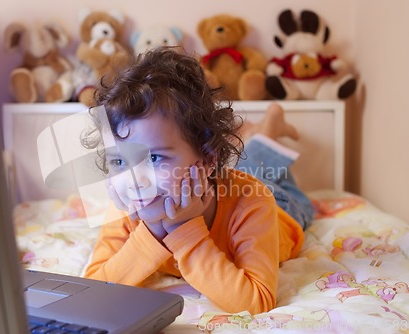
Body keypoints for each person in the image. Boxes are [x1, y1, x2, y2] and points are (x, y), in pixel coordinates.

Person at [82, 47, 313, 314]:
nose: (135, 181)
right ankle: (264, 134)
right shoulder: (129, 205)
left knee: (262, 176)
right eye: (120, 162)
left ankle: (269, 132)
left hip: (281, 206)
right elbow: (93, 292)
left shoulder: (253, 202)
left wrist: (182, 228)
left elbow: (257, 301)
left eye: (155, 158)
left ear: (208, 158)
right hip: (221, 182)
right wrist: (154, 230)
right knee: (249, 165)